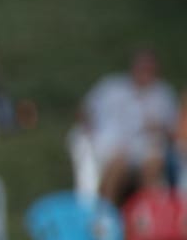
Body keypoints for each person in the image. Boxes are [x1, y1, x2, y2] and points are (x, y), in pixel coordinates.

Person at [75, 49, 178, 207]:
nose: (145, 73)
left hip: (145, 148)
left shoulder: (163, 94)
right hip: (109, 145)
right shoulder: (111, 87)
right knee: (118, 165)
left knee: (153, 165)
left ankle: (149, 219)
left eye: (149, 69)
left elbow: (175, 131)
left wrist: (159, 128)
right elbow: (85, 110)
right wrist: (90, 131)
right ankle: (107, 215)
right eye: (142, 68)